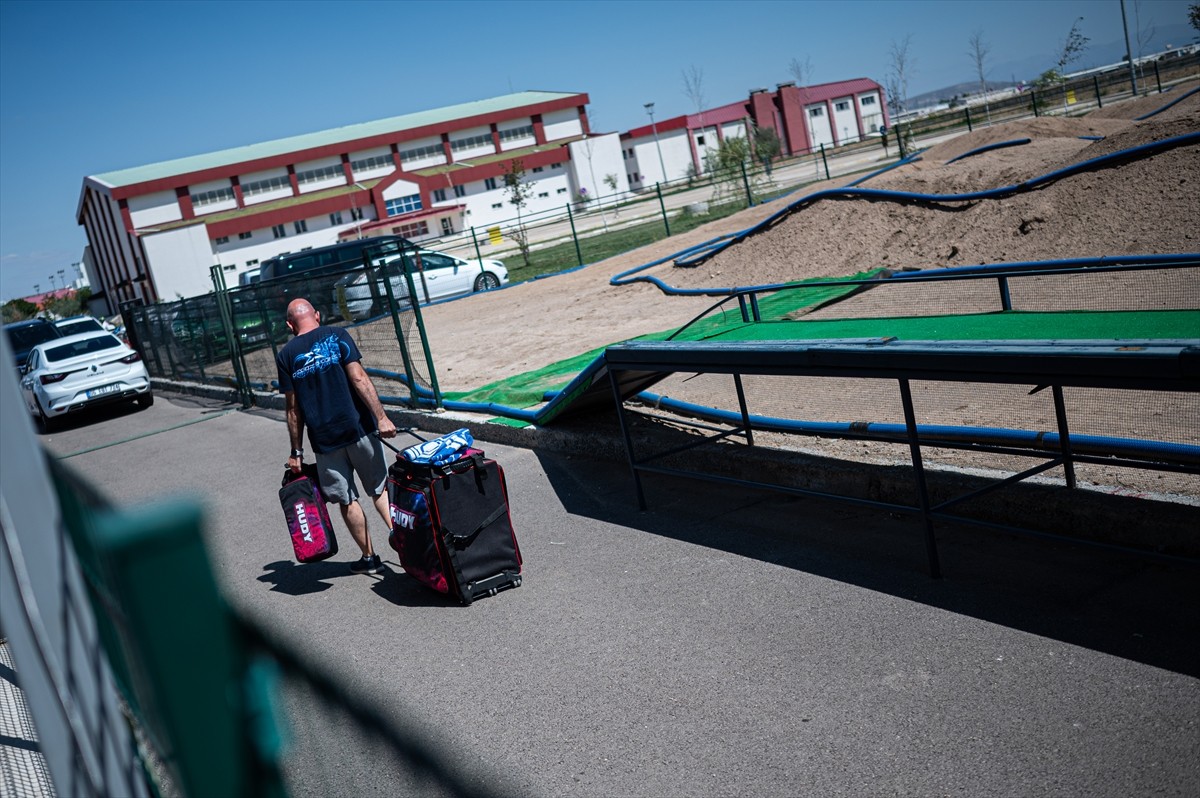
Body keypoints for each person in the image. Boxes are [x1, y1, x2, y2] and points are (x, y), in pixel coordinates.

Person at [276, 298, 397, 574]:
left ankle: (370, 558)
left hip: (325, 442)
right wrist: (381, 417)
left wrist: (297, 453)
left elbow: (293, 410)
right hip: (359, 429)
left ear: (289, 324)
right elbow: (359, 378)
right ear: (316, 315)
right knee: (379, 488)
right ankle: (399, 536)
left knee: (346, 499)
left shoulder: (286, 356)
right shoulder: (337, 335)